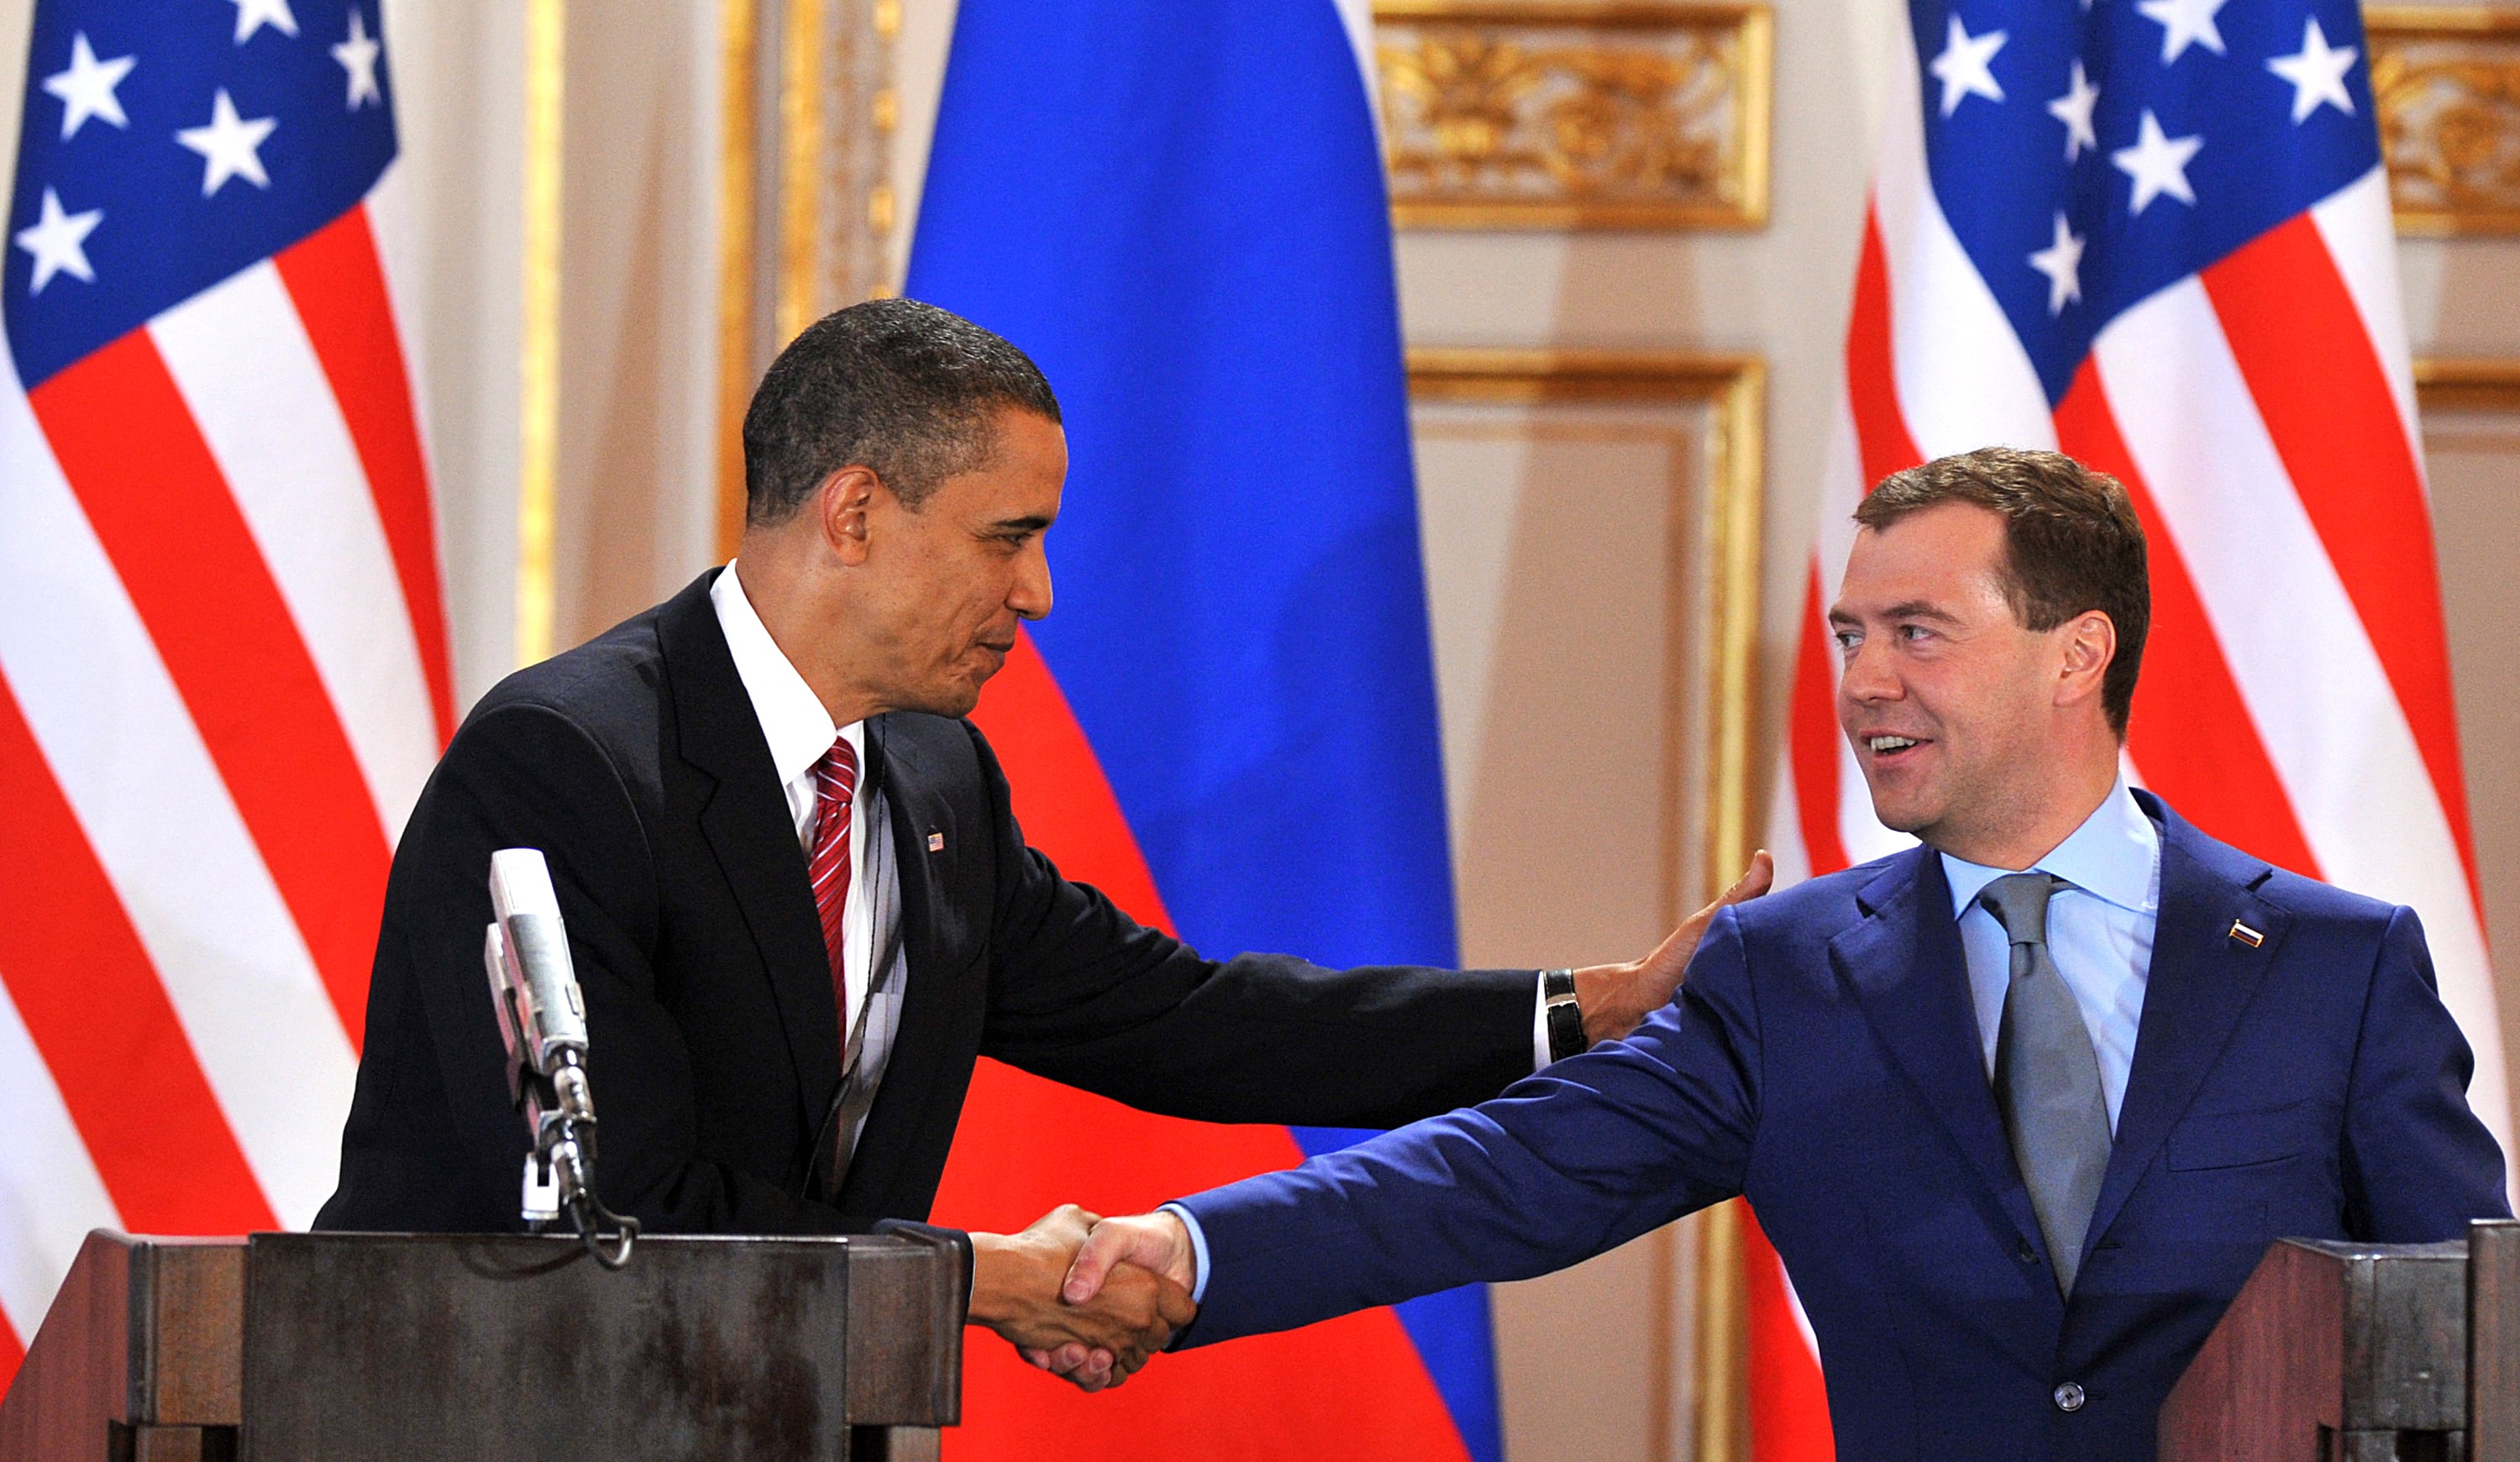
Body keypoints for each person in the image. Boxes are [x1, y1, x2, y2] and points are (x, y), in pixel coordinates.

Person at [313, 297, 1769, 1382]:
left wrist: (1583, 1008)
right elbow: (620, 1208)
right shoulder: (565, 764)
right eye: (1008, 537)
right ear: (856, 512)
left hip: (786, 1410)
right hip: (478, 1398)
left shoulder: (933, 775)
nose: (1041, 592)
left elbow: (1186, 1020)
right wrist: (981, 1278)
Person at [1062, 447, 2512, 1452]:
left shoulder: (2335, 968)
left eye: (1917, 633)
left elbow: (2470, 1334)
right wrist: (1189, 1251)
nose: (1862, 682)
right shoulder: (1790, 974)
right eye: (1847, 634)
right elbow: (1497, 1177)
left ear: (2078, 654)